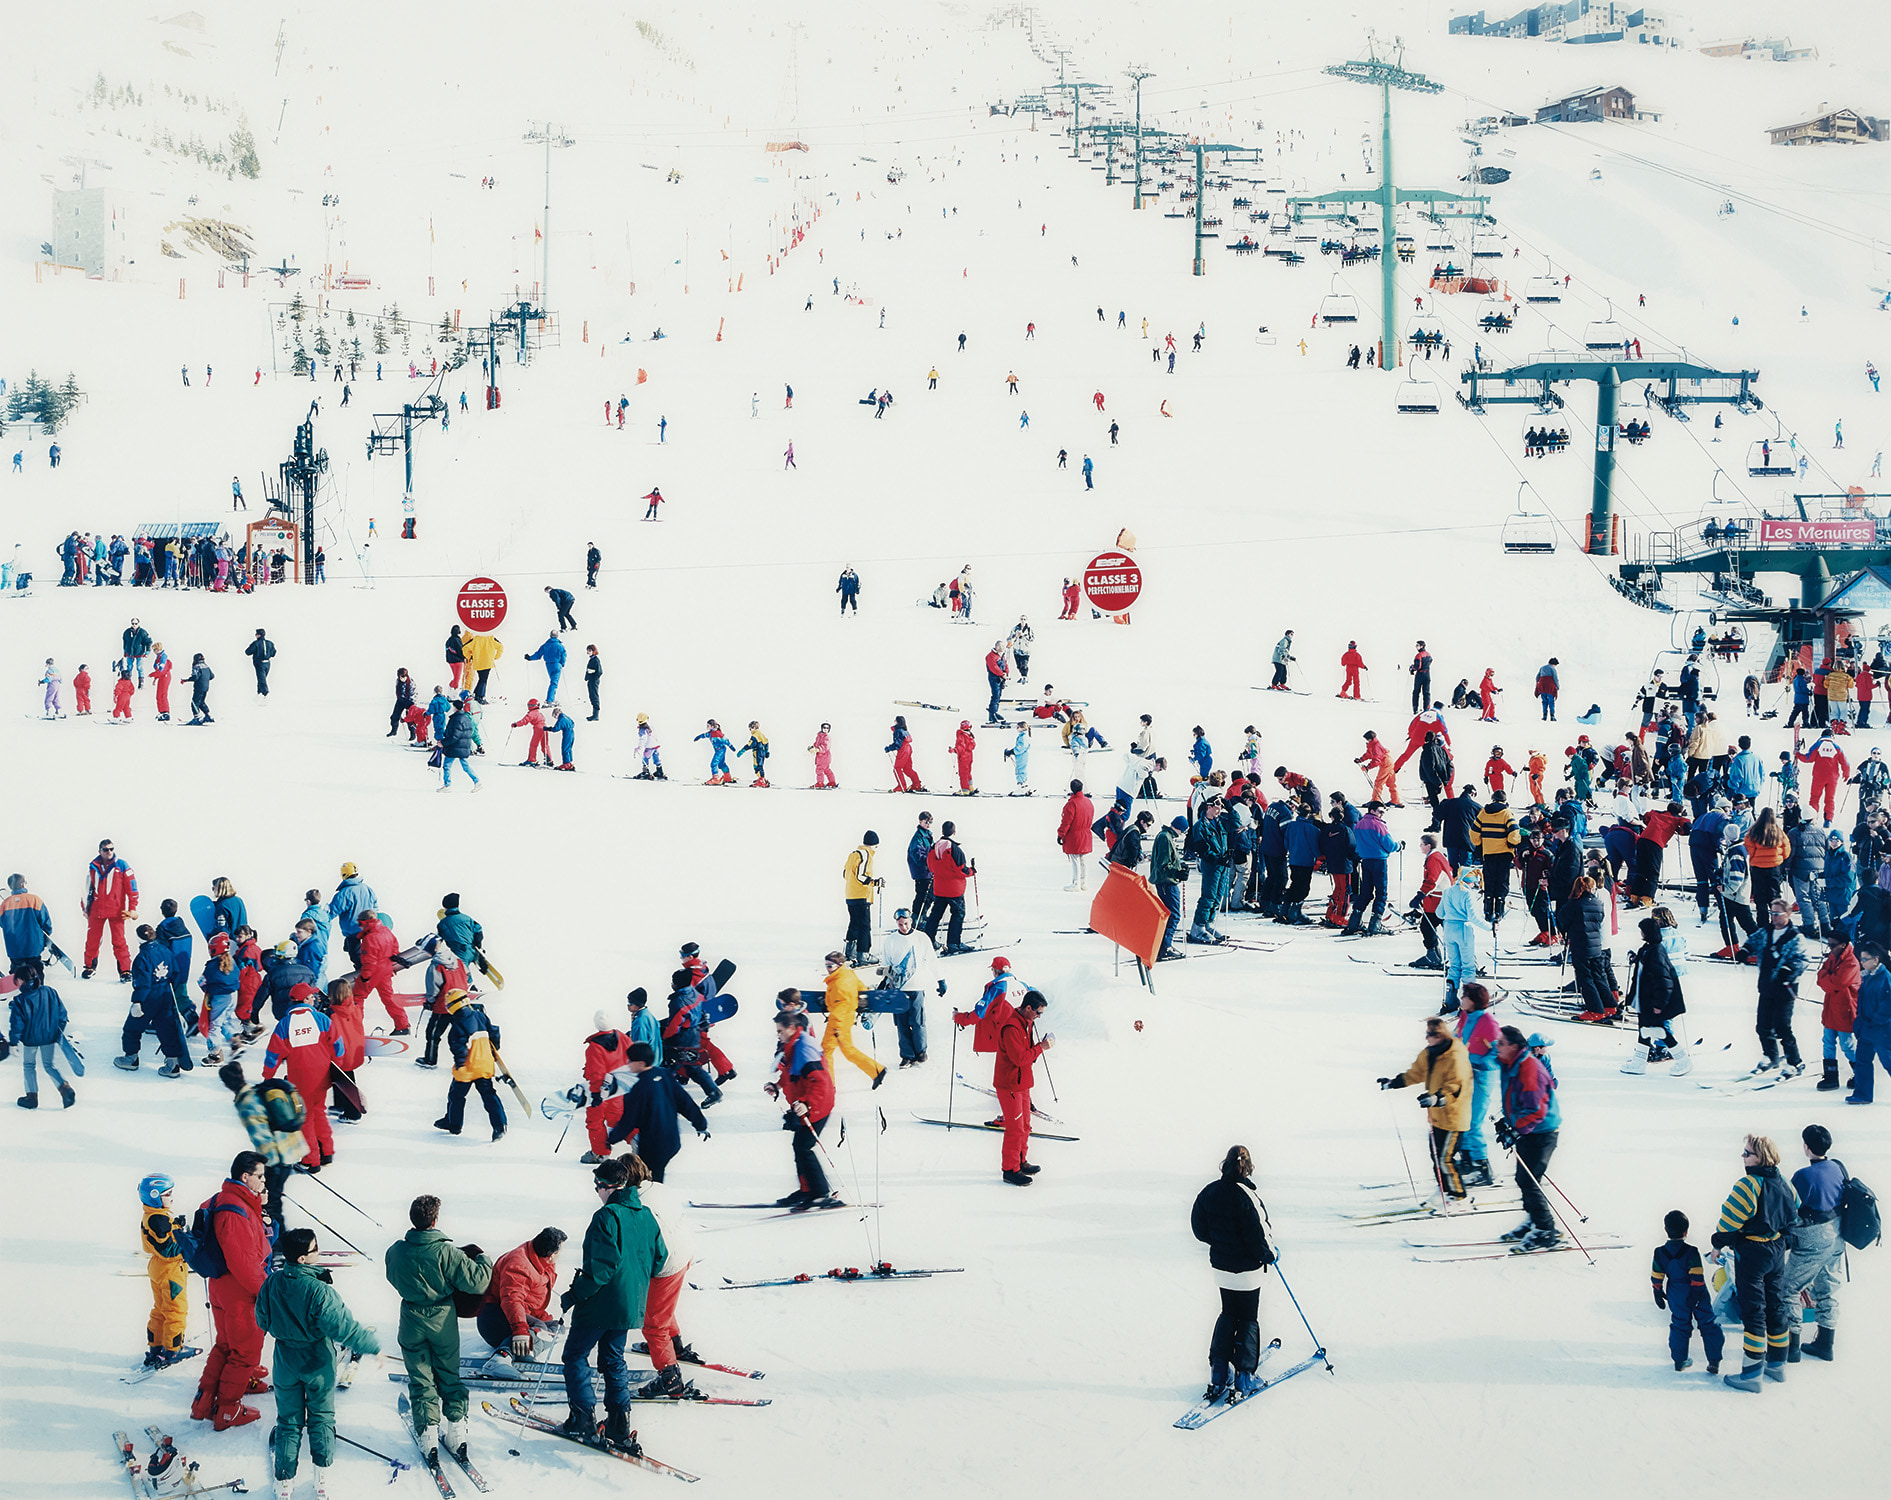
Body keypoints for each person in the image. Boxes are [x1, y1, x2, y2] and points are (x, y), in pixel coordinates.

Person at [255, 1226, 382, 1500]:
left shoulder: (272, 1283)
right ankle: (321, 1478)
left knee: (288, 1421)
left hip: (285, 1360)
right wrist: (371, 1346)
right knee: (321, 1417)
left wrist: (286, 1329)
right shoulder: (318, 1290)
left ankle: (284, 1483)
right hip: (317, 1361)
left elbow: (262, 1319)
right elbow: (343, 1326)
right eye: (315, 1249)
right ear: (302, 1258)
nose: (319, 1252)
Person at [558, 1156, 666, 1451]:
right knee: (613, 1359)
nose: (597, 1192)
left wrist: (573, 1295)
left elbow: (601, 1270)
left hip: (600, 1303)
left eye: (597, 1186)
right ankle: (620, 1425)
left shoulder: (606, 1216)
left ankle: (582, 1420)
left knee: (575, 1355)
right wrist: (635, 1277)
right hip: (630, 1305)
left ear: (608, 1186)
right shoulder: (646, 1214)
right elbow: (660, 1258)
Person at [385, 1195, 493, 1462]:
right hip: (442, 1319)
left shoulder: (396, 1251)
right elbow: (478, 1283)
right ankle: (456, 1434)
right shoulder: (446, 1252)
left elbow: (392, 1276)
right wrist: (484, 1260)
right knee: (449, 1375)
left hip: (411, 1318)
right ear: (434, 1220)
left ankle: (428, 1435)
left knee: (421, 1379)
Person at [189, 1152, 275, 1432]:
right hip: (239, 1290)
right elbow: (243, 1262)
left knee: (226, 1345)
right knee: (245, 1352)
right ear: (245, 1177)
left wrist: (261, 1210)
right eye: (260, 1176)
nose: (264, 1181)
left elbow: (257, 1242)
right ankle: (227, 1409)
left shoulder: (223, 1200)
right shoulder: (234, 1211)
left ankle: (203, 1403)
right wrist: (266, 1292)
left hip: (220, 1286)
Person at [1189, 1146, 1277, 1403]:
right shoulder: (1246, 1195)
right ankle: (1244, 1378)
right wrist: (1270, 1255)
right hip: (1248, 1272)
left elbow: (1199, 1229)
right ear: (1247, 1167)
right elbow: (1259, 1233)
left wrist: (1221, 1243)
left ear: (1225, 1164)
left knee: (1228, 1313)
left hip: (1222, 1268)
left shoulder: (1209, 1192)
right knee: (1248, 1318)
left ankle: (1218, 1374)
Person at [1711, 1134, 1799, 1391]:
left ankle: (1751, 1375)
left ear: (1761, 1157)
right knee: (1776, 1306)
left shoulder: (1748, 1185)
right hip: (1776, 1251)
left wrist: (1717, 1243)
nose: (1743, 1156)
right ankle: (1777, 1365)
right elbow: (1795, 1211)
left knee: (1754, 1312)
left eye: (1747, 1153)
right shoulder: (1785, 1182)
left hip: (1752, 1253)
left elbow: (1729, 1222)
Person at [626, 1154, 698, 1398]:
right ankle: (674, 1345)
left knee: (653, 1324)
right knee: (660, 1304)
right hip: (685, 1251)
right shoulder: (658, 1187)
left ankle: (670, 1379)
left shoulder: (636, 1203)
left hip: (668, 1261)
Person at [1378, 1015, 1472, 1199]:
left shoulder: (1455, 1056)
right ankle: (1445, 1191)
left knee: (1445, 1159)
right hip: (1437, 1116)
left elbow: (1455, 1087)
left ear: (1440, 1035)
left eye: (1430, 1034)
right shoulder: (1429, 1053)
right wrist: (1393, 1083)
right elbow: (1415, 1073)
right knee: (1436, 1157)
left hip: (1454, 1116)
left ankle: (1458, 1195)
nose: (1427, 1038)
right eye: (1426, 1034)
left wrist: (1437, 1099)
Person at [1494, 1025, 1563, 1249]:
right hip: (1530, 1130)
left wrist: (1516, 1130)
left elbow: (1536, 1110)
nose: (1497, 1047)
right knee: (1523, 1179)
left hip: (1542, 1131)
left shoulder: (1529, 1068)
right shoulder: (1511, 1063)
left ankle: (1546, 1230)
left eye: (1501, 1043)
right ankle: (1535, 1220)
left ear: (1515, 1046)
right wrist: (1508, 1122)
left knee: (1529, 1180)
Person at [1780, 1124, 1845, 1362]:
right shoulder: (1837, 1167)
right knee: (1827, 1287)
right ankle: (1825, 1344)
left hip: (1813, 1238)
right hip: (1837, 1234)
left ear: (1806, 1147)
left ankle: (1791, 1347)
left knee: (1789, 1288)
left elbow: (1788, 1208)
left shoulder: (1804, 1176)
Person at [262, 984, 341, 1168]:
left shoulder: (284, 1024)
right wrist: (339, 1065)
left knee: (304, 1118)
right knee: (318, 1111)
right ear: (305, 1000)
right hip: (323, 1076)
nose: (314, 998)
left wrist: (268, 1077)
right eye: (312, 996)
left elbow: (273, 1055)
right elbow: (338, 1044)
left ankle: (311, 1161)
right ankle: (327, 1152)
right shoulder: (321, 1019)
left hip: (301, 1078)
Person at [605, 1043, 710, 1179]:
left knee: (648, 1178)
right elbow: (685, 1102)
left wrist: (611, 1139)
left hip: (653, 1144)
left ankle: (653, 1191)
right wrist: (700, 1124)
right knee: (654, 1172)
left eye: (631, 1060)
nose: (628, 1063)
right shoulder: (664, 1075)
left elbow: (629, 1120)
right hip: (671, 1140)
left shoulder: (638, 1088)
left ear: (641, 1063)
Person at [219, 1061, 306, 1225]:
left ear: (226, 1084)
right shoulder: (256, 1092)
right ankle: (277, 1235)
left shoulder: (246, 1103)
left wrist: (265, 1168)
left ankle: (277, 1237)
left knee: (270, 1203)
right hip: (290, 1150)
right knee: (274, 1199)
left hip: (277, 1159)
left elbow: (261, 1137)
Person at [767, 1009, 838, 1208]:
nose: (778, 1035)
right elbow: (791, 1073)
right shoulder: (794, 1044)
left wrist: (807, 1103)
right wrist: (777, 1086)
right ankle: (808, 1190)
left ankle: (820, 1193)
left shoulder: (804, 1048)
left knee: (803, 1146)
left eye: (780, 1031)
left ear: (791, 1028)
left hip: (819, 1104)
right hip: (807, 1105)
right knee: (800, 1146)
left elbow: (820, 1082)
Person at [476, 1227, 566, 1361]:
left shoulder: (542, 1260)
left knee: (557, 1329)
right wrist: (520, 1330)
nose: (560, 1255)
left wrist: (539, 1319)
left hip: (518, 1314)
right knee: (541, 1328)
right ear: (551, 1255)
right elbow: (512, 1300)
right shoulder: (518, 1264)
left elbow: (530, 1298)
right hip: (495, 1318)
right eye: (560, 1252)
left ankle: (527, 1350)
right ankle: (503, 1356)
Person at [1651, 1209, 1724, 1374]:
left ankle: (1680, 1360)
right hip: (1696, 1291)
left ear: (1666, 1229)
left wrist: (1657, 1291)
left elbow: (1657, 1275)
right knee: (1708, 1323)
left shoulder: (1659, 1253)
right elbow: (1697, 1274)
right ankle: (1714, 1360)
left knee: (1679, 1324)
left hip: (1676, 1293)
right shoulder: (1691, 1251)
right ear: (1686, 1231)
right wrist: (1696, 1294)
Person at [434, 989, 508, 1140]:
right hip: (485, 1065)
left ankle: (454, 1124)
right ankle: (500, 1126)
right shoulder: (480, 1015)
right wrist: (494, 1049)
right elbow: (494, 1032)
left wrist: (460, 1064)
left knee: (456, 1096)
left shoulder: (458, 1024)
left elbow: (459, 1048)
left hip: (467, 1069)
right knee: (489, 1095)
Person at [1622, 917, 1689, 1075]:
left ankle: (1683, 1060)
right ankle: (1639, 1062)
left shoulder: (1656, 952)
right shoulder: (1647, 949)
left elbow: (1664, 981)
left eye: (1642, 931)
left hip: (1652, 1001)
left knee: (1659, 1031)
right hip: (1644, 1000)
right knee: (1644, 1031)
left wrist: (1659, 1004)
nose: (1641, 933)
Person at [7, 956, 74, 1108]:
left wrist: (13, 1043)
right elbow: (62, 1014)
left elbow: (17, 1024)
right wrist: (58, 1032)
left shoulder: (20, 1000)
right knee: (49, 1065)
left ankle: (31, 1097)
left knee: (29, 1065)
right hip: (49, 1037)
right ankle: (65, 1088)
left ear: (22, 980)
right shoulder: (50, 991)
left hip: (31, 1040)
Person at [1752, 900, 1807, 1078]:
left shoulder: (1795, 936)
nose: (1774, 917)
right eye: (1772, 913)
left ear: (1788, 914)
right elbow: (1753, 941)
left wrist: (1789, 970)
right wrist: (1744, 950)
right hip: (1766, 985)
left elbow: (1802, 960)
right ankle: (1771, 1055)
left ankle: (1795, 1062)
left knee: (1782, 1026)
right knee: (1763, 1025)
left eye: (1777, 914)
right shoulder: (1766, 931)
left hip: (1785, 988)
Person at [881, 906, 939, 1066]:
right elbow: (885, 963)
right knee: (902, 1024)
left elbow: (932, 960)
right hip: (898, 989)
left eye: (906, 923)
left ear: (911, 921)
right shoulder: (891, 940)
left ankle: (921, 1051)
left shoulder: (921, 938)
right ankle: (907, 1055)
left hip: (917, 986)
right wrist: (885, 979)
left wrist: (940, 980)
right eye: (900, 924)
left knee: (918, 1021)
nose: (904, 927)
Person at [820, 951, 887, 1087]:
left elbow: (842, 1005)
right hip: (846, 1018)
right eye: (826, 965)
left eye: (830, 966)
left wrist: (837, 1026)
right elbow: (861, 988)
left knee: (826, 1052)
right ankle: (876, 1071)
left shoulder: (840, 983)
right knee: (848, 1050)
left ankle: (828, 1086)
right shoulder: (847, 974)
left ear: (839, 965)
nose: (827, 969)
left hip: (838, 1021)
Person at [82, 837, 138, 981]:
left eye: (111, 849)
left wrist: (132, 908)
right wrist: (85, 907)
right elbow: (87, 888)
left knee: (119, 942)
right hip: (97, 910)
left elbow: (132, 888)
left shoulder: (122, 865)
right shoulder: (93, 866)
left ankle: (125, 970)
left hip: (117, 910)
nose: (109, 852)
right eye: (106, 849)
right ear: (100, 851)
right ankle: (89, 967)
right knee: (92, 940)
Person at [1815, 930, 1859, 1092]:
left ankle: (1861, 1073)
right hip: (1831, 1007)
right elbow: (1821, 977)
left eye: (1833, 945)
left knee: (1846, 1044)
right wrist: (1829, 980)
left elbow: (1838, 982)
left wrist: (1828, 980)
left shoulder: (1851, 962)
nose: (1830, 948)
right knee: (1828, 1042)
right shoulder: (1833, 958)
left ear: (1843, 945)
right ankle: (1830, 1076)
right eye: (1829, 944)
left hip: (1844, 1009)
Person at [922, 821, 973, 953]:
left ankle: (928, 940)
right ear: (954, 832)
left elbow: (930, 866)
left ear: (942, 831)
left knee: (935, 914)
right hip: (954, 889)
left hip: (939, 888)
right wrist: (971, 871)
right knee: (958, 914)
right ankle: (954, 943)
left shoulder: (934, 846)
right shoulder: (954, 849)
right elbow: (961, 870)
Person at [842, 831, 881, 963]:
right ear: (873, 845)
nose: (876, 850)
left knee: (854, 923)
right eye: (876, 847)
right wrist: (875, 882)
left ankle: (850, 952)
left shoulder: (853, 854)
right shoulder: (866, 854)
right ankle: (863, 954)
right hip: (861, 896)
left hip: (850, 895)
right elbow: (861, 876)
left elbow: (845, 873)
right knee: (864, 925)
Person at [1057, 779, 1095, 890]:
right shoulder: (1088, 802)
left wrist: (1060, 834)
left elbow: (1066, 822)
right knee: (1083, 861)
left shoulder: (1071, 804)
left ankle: (1076, 883)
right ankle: (1083, 882)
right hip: (1086, 834)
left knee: (1075, 860)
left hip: (1074, 836)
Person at [245, 629, 276, 696]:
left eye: (256, 634)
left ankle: (265, 694)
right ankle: (259, 694)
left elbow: (247, 652)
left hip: (259, 663)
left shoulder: (256, 643)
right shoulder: (270, 643)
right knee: (262, 679)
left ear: (259, 635)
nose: (255, 635)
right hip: (267, 663)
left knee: (262, 680)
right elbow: (273, 653)